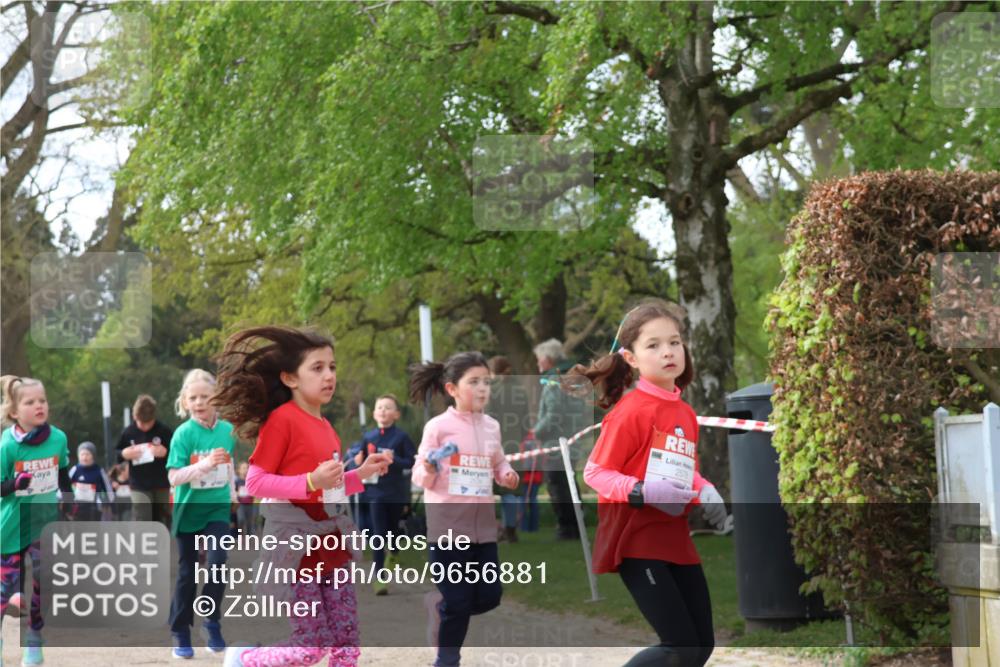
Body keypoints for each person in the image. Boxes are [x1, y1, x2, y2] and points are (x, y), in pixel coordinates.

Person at [211, 326, 389, 667]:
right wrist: (310, 479)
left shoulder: (325, 426)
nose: (329, 376)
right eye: (317, 368)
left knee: (347, 643)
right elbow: (257, 481)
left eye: (332, 367)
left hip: (334, 545)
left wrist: (362, 474)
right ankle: (245, 658)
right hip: (298, 553)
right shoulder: (282, 421)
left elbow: (328, 490)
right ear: (290, 378)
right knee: (311, 645)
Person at [574, 300, 727, 667]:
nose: (668, 352)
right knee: (678, 647)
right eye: (653, 345)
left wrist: (704, 487)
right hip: (637, 541)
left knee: (700, 647)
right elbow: (594, 473)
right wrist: (641, 491)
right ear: (631, 358)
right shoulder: (630, 411)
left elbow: (679, 469)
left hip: (675, 539)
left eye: (674, 342)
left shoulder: (685, 412)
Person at [410, 351, 519, 667]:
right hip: (447, 530)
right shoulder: (438, 428)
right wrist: (430, 467)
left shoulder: (492, 427)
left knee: (489, 597)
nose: (483, 388)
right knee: (458, 602)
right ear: (452, 389)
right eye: (474, 382)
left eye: (486, 381)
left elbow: (498, 462)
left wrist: (506, 474)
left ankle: (438, 605)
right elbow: (420, 476)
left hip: (483, 530)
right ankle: (447, 660)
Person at [0, 375, 73, 667]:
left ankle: (34, 638)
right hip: (11, 527)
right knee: (5, 590)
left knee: (43, 583)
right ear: (15, 412)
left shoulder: (58, 438)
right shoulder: (7, 445)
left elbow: (64, 472)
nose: (39, 405)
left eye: (42, 400)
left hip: (44, 524)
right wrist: (15, 483)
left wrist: (69, 502)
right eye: (30, 402)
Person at [166, 369, 237, 659]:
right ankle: (180, 630)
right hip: (188, 511)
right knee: (188, 573)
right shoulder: (183, 434)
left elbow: (229, 466)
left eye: (205, 396)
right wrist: (204, 465)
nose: (199, 402)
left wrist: (232, 495)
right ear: (184, 401)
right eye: (192, 397)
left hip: (218, 507)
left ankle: (211, 621)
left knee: (218, 562)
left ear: (216, 399)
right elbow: (173, 477)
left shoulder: (228, 431)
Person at [346, 393, 416, 596]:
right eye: (379, 407)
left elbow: (412, 462)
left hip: (395, 491)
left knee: (392, 533)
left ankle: (393, 554)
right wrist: (358, 460)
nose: (383, 411)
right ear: (374, 413)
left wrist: (394, 460)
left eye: (388, 407)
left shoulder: (401, 437)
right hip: (374, 491)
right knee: (378, 534)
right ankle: (379, 577)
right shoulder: (368, 437)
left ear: (396, 414)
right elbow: (360, 462)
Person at [532, 338, 587, 540]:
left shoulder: (552, 383)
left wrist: (537, 432)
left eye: (539, 360)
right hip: (572, 440)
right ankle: (576, 526)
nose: (538, 364)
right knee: (569, 483)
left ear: (547, 359)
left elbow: (553, 414)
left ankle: (566, 528)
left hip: (556, 443)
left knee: (557, 485)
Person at [485, 356, 534, 542]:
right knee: (510, 489)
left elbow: (487, 419)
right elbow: (526, 422)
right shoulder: (520, 391)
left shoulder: (490, 390)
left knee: (485, 489)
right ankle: (510, 529)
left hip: (490, 445)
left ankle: (489, 529)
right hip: (513, 444)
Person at [116, 394, 173, 527]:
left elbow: (177, 454)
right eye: (141, 423)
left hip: (161, 483)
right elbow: (117, 454)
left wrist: (165, 452)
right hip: (138, 484)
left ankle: (161, 545)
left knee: (162, 517)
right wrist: (124, 453)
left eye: (149, 423)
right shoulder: (128, 432)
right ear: (134, 417)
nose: (145, 427)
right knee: (142, 516)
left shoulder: (164, 431)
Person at [68, 441, 114, 522]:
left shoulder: (99, 471)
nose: (84, 457)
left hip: (94, 508)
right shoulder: (75, 469)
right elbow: (65, 485)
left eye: (87, 454)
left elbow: (108, 489)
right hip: (78, 508)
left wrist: (108, 503)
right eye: (82, 454)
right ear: (78, 456)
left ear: (93, 455)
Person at [234, 461, 259, 537]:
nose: (246, 470)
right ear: (239, 470)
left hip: (250, 504)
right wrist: (238, 493)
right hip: (240, 504)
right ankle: (240, 534)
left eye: (247, 468)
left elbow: (256, 491)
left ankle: (248, 535)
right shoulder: (237, 481)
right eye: (244, 468)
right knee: (241, 519)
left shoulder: (251, 480)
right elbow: (233, 492)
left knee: (249, 522)